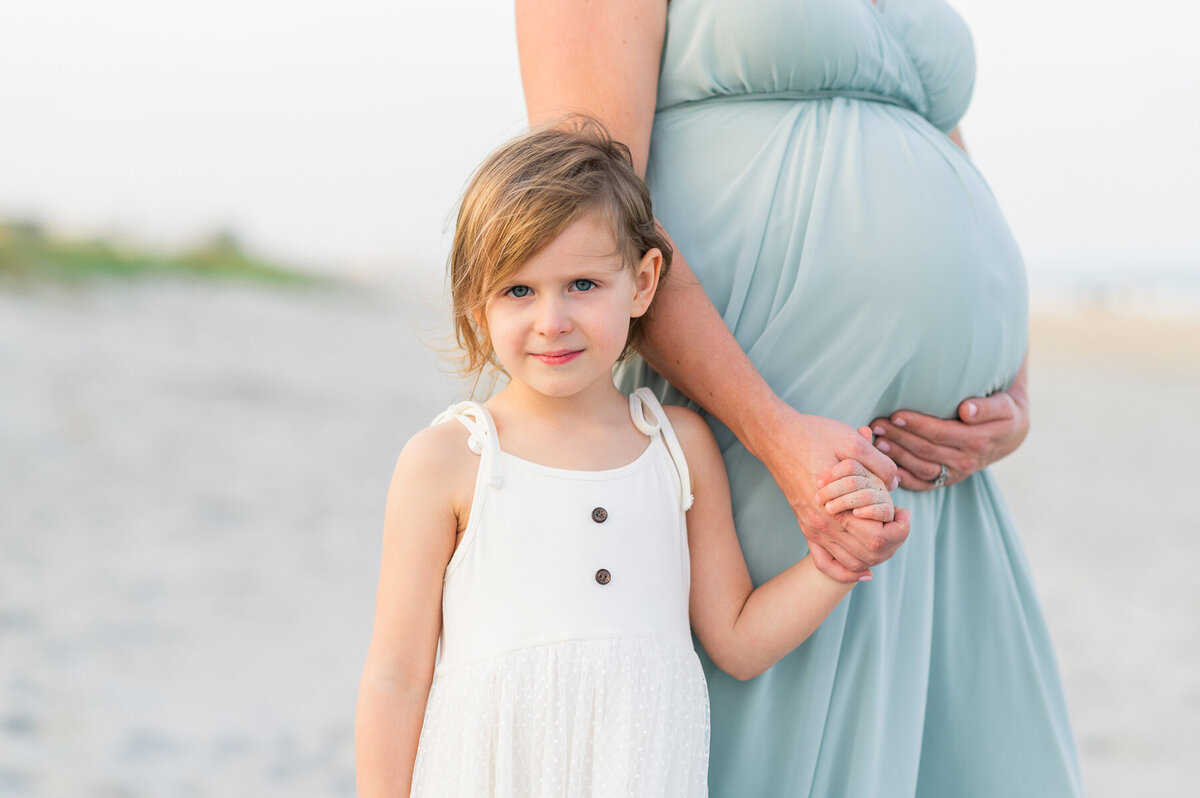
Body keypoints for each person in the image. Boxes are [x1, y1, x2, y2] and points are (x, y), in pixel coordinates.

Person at [515, 1, 1082, 796]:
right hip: (765, 434)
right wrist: (775, 431)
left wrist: (1010, 389)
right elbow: (588, 213)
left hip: (944, 487)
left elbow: (940, 141)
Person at [354, 120, 908, 796]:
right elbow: (395, 675)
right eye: (518, 291)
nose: (552, 319)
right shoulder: (450, 460)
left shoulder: (678, 447)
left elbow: (736, 639)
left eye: (582, 284)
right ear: (477, 304)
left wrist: (840, 564)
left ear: (643, 283)